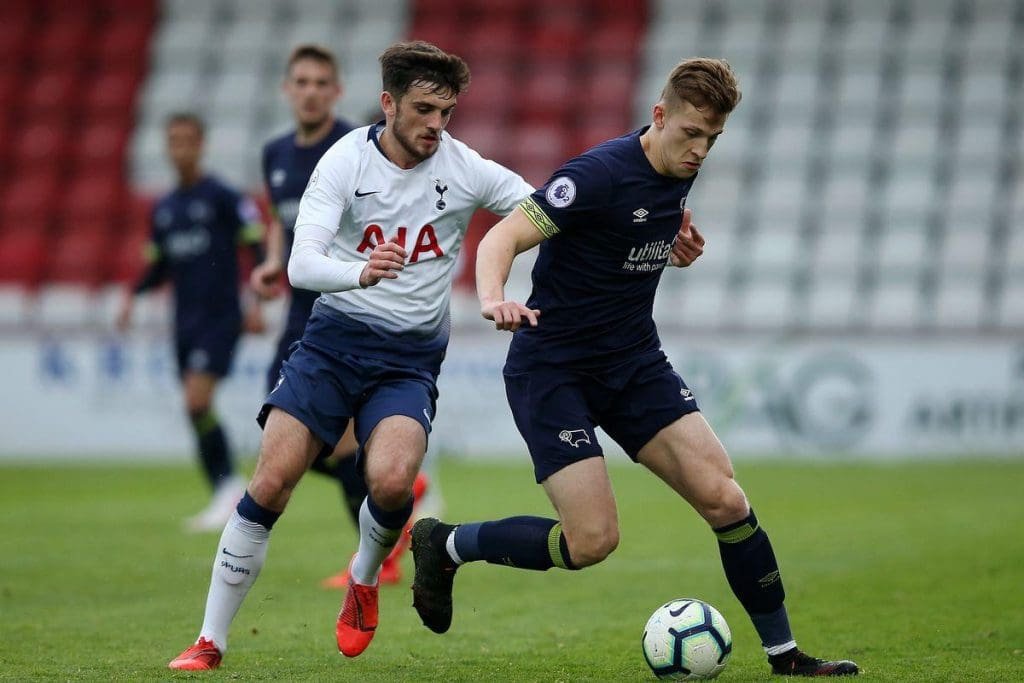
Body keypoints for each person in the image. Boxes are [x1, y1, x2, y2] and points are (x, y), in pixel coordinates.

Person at [410, 58, 860, 677]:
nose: (700, 151)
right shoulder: (593, 176)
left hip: (633, 362)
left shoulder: (678, 171)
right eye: (690, 134)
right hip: (553, 368)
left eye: (712, 139)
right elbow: (500, 239)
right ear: (658, 117)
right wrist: (493, 298)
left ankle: (786, 658)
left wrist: (675, 250)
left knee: (727, 500)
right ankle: (448, 543)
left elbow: (628, 238)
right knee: (591, 542)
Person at [167, 41, 533, 670]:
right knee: (272, 479)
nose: (436, 125)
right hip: (332, 342)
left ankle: (363, 577)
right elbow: (301, 263)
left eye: (446, 112)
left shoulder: (463, 165)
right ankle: (209, 640)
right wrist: (359, 272)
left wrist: (657, 233)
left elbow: (547, 206)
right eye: (423, 109)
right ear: (388, 104)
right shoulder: (343, 161)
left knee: (391, 481)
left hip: (408, 359)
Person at [249, 43, 426, 589]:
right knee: (293, 443)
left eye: (321, 82)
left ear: (337, 91)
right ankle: (393, 496)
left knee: (328, 445)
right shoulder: (276, 153)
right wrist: (274, 262)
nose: (310, 91)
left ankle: (383, 544)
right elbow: (285, 219)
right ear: (287, 88)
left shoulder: (357, 147)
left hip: (348, 317)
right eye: (301, 81)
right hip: (299, 319)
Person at [117, 112, 266, 532]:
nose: (179, 148)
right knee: (195, 408)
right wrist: (133, 294)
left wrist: (257, 303)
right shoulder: (165, 207)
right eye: (173, 140)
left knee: (196, 401)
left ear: (202, 145)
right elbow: (158, 263)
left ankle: (228, 489)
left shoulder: (222, 195)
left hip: (221, 318)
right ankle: (224, 490)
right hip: (183, 322)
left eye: (187, 140)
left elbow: (254, 248)